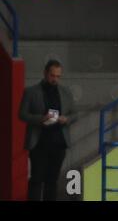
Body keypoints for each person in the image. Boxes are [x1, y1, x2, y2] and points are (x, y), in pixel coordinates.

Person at [19, 59, 77, 200]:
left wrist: (66, 119)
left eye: (58, 76)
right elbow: (22, 114)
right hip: (39, 143)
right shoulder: (31, 92)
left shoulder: (66, 92)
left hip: (58, 144)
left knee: (52, 181)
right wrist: (41, 118)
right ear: (45, 73)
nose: (55, 79)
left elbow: (75, 114)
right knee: (37, 180)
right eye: (52, 75)